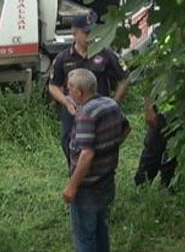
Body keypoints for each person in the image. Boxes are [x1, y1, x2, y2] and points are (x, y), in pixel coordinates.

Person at [57, 68, 130, 252]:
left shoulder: (86, 114)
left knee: (85, 235)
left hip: (88, 185)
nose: (67, 93)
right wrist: (109, 150)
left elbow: (86, 155)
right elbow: (127, 128)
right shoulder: (110, 104)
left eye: (69, 89)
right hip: (107, 179)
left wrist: (72, 186)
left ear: (79, 92)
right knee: (101, 229)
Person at [47, 12, 129, 164]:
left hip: (100, 114)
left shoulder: (105, 53)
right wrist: (65, 101)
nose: (90, 36)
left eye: (93, 32)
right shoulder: (63, 58)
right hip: (74, 113)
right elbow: (53, 86)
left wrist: (115, 103)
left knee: (101, 149)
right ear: (74, 33)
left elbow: (124, 78)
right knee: (70, 147)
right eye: (86, 32)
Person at [134, 96, 177, 188]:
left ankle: (168, 185)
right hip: (163, 105)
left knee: (175, 149)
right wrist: (148, 106)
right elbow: (148, 82)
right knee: (154, 144)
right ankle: (142, 185)